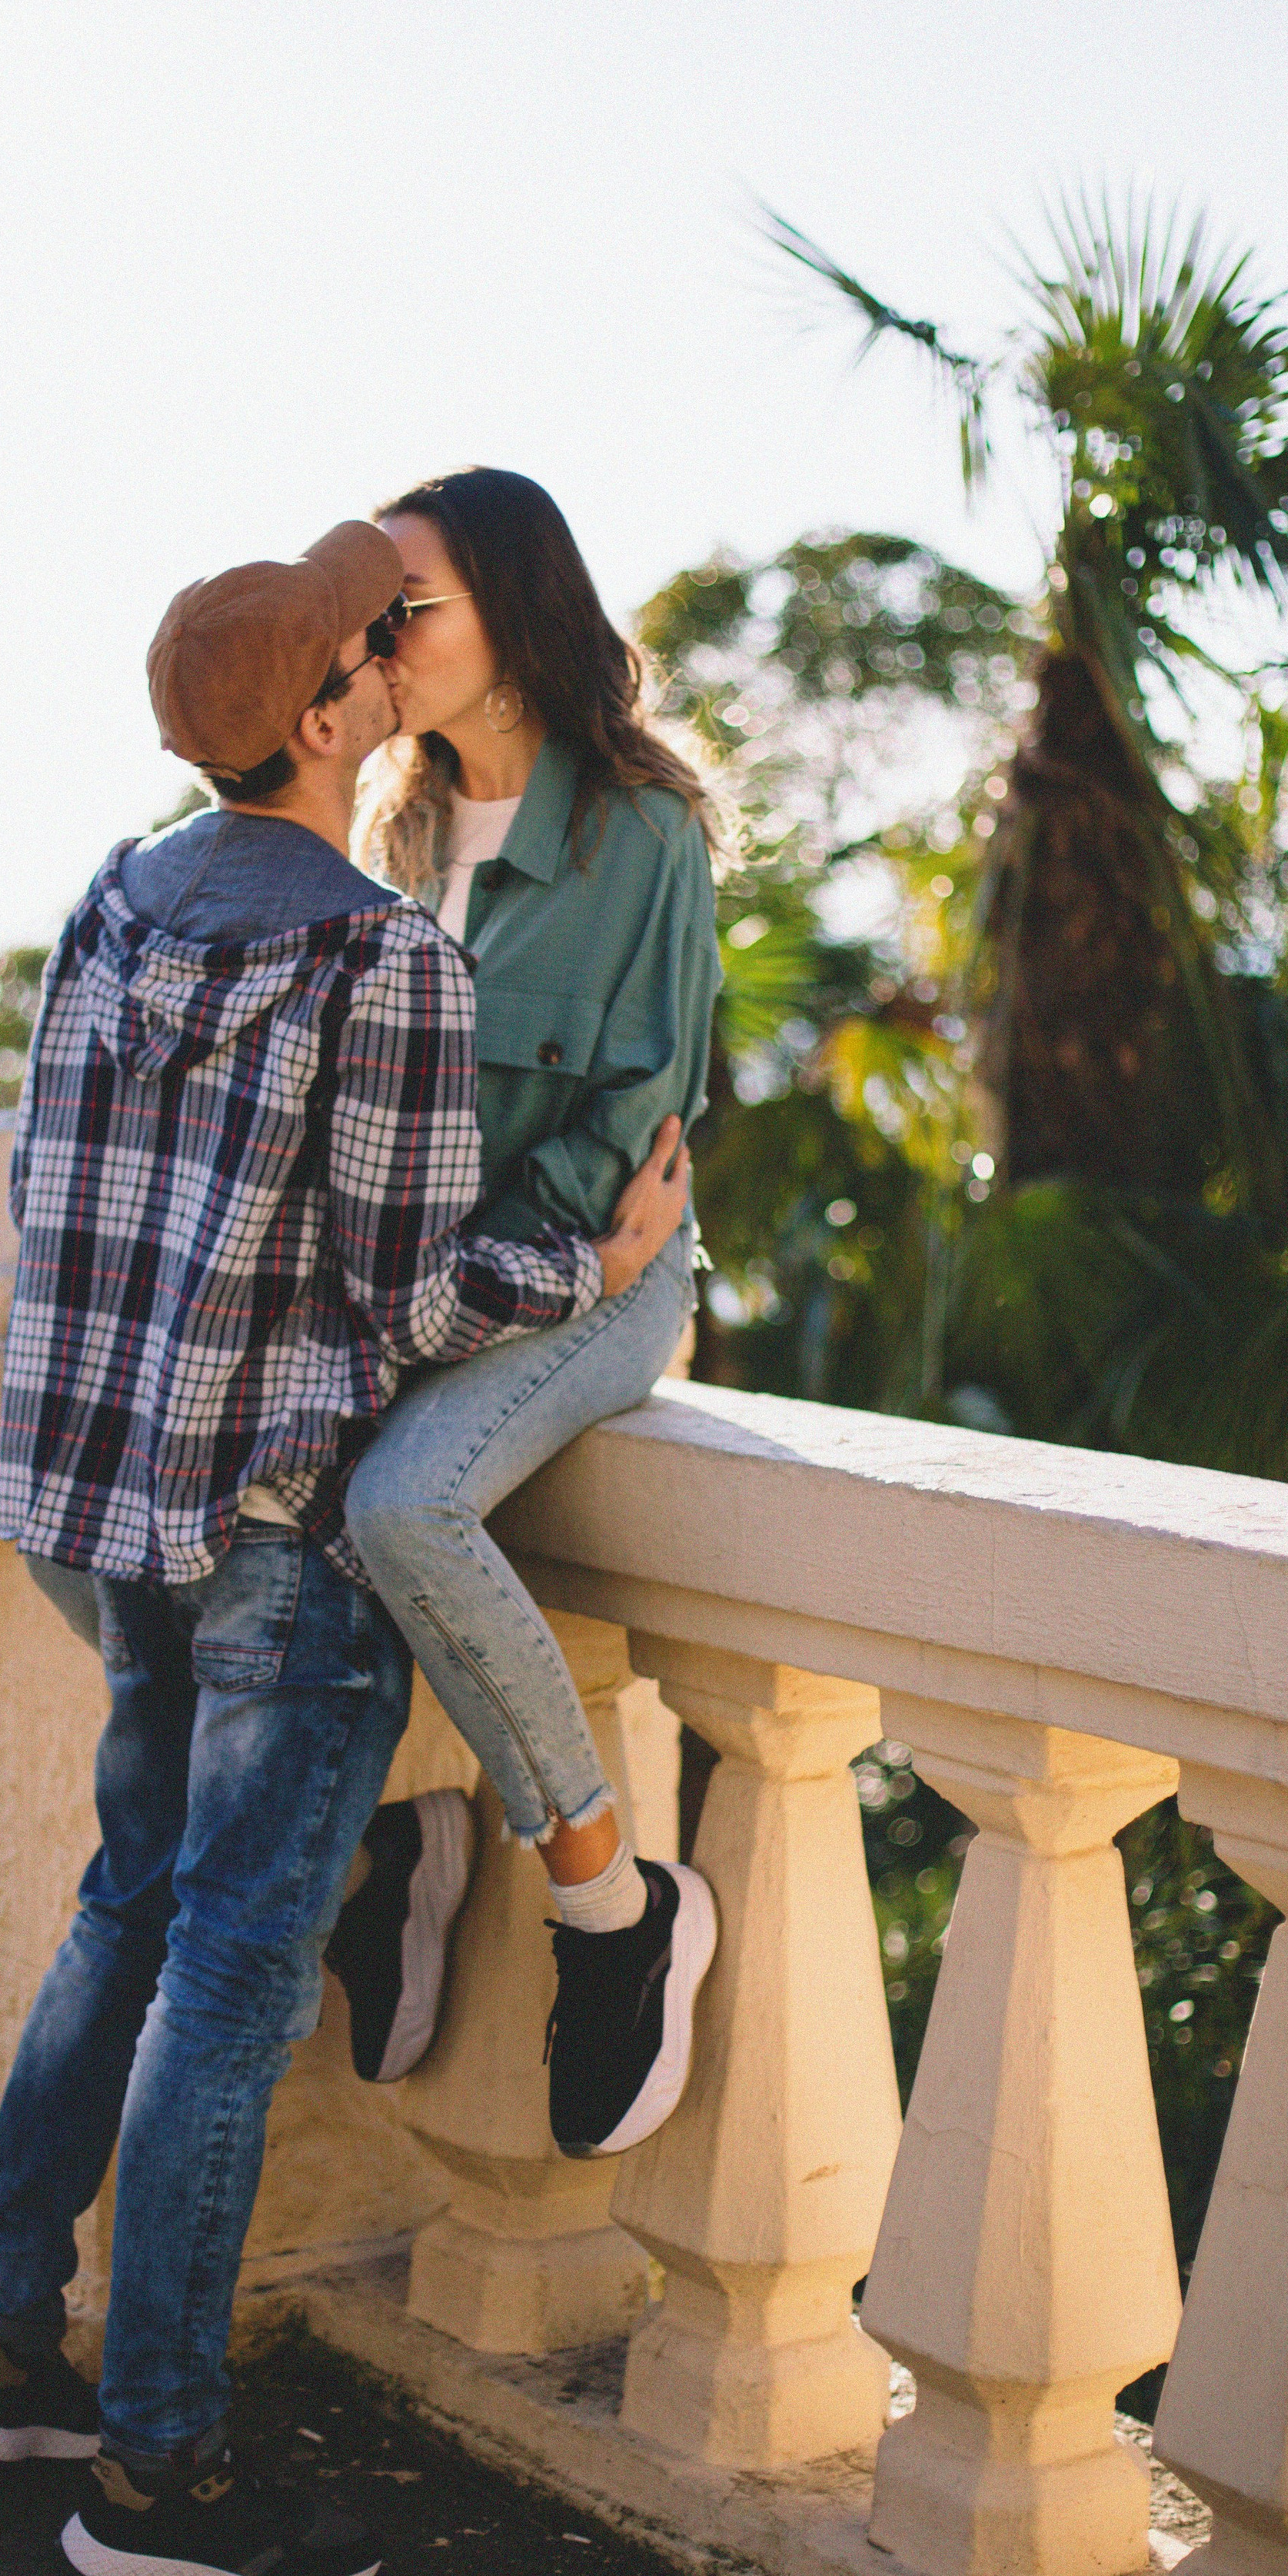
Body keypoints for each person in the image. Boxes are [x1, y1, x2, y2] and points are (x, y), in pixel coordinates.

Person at [0, 522, 691, 2576]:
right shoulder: (383, 961)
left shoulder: (116, 898)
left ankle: (4, 2344)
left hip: (116, 1510)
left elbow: (64, 1203)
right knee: (231, 1982)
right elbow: (414, 1297)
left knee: (127, 1903)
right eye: (371, 643)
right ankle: (158, 2478)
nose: (393, 658)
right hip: (273, 1533)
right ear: (332, 717)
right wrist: (597, 1263)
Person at [328, 468, 727, 2158]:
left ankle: (614, 1912)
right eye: (365, 616)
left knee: (401, 1505)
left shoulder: (638, 833)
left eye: (408, 608)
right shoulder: (389, 831)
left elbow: (627, 1134)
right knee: (206, 1491)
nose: (379, 642)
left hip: (597, 1277)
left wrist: (443, 1300)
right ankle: (387, 1849)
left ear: (512, 609)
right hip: (419, 1292)